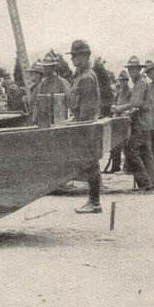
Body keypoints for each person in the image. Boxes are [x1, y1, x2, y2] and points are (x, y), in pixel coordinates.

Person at [66, 40, 103, 213]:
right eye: (72, 56)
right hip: (83, 124)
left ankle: (94, 202)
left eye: (75, 56)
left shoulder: (87, 77)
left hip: (86, 127)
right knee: (90, 163)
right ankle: (93, 201)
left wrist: (78, 125)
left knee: (91, 163)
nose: (72, 59)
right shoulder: (81, 76)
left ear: (85, 56)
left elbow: (87, 111)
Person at [112, 56, 154, 191]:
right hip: (144, 122)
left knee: (130, 151)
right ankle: (152, 183)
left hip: (141, 123)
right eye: (130, 69)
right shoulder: (140, 84)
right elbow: (137, 106)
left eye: (134, 70)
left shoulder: (141, 83)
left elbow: (135, 103)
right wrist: (127, 112)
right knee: (146, 153)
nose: (131, 72)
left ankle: (145, 184)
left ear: (139, 70)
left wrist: (120, 109)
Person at [30, 51, 72, 124]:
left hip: (59, 120)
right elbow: (36, 102)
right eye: (44, 66)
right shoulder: (42, 85)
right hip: (45, 121)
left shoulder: (62, 82)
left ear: (53, 67)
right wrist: (34, 120)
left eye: (47, 67)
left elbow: (70, 101)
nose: (44, 69)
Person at [105, 70, 132, 174]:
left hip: (126, 121)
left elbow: (132, 106)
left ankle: (127, 168)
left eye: (124, 81)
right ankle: (115, 167)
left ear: (127, 81)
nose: (122, 83)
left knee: (127, 146)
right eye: (121, 81)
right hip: (117, 121)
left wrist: (122, 110)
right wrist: (114, 109)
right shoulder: (119, 93)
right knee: (115, 145)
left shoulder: (130, 92)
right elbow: (114, 104)